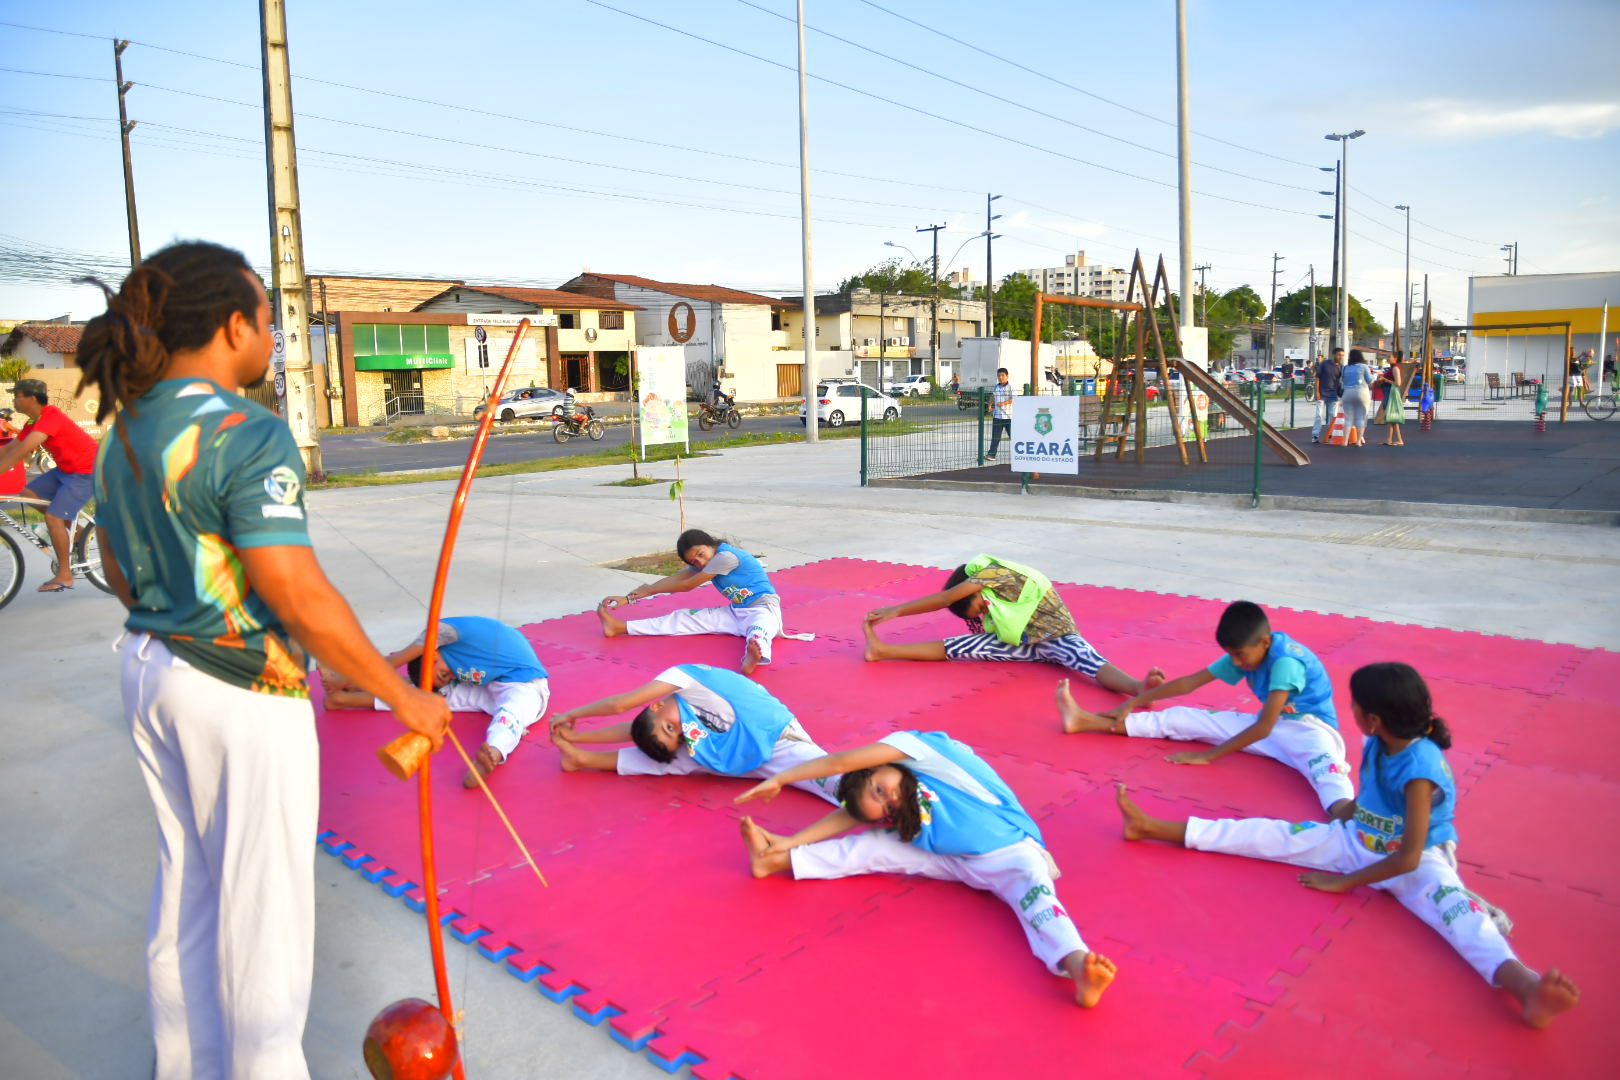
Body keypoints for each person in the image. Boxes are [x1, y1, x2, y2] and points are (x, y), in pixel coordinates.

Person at [79, 241, 450, 1079]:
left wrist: (182, 614)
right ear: (231, 324)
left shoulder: (124, 429)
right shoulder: (246, 432)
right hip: (240, 685)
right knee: (263, 915)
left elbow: (115, 559)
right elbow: (297, 592)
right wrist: (404, 696)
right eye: (269, 320)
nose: (275, 339)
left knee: (189, 893)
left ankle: (184, 1067)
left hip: (148, 666)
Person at [1113, 662, 1581, 1029]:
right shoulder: (1381, 742)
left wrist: (1346, 882)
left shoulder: (1422, 769)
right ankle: (1152, 828)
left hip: (1412, 865)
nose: (1349, 713)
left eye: (1354, 706)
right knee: (1265, 834)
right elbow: (1373, 796)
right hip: (1355, 839)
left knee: (1463, 920)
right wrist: (1350, 816)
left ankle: (1528, 991)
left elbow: (1410, 855)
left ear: (1372, 718)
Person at [733, 730, 1118, 1008]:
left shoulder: (923, 750)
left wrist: (782, 778)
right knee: (870, 847)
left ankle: (1077, 966)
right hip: (945, 856)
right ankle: (773, 859)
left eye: (882, 790)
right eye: (884, 809)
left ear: (879, 764)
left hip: (1008, 849)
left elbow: (841, 762)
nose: (891, 801)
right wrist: (789, 841)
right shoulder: (890, 801)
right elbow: (849, 818)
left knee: (1036, 897)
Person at [1054, 600, 1353, 815]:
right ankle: (1084, 721)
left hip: (1311, 731)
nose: (1236, 663)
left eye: (1239, 655)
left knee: (1329, 781)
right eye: (1230, 655)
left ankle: (1363, 831)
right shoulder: (1247, 653)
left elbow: (1262, 728)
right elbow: (1190, 683)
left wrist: (1208, 756)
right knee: (1183, 717)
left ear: (1264, 642)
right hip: (1271, 726)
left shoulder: (1286, 663)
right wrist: (1133, 701)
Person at [863, 554, 1165, 696]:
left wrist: (896, 610)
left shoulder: (995, 574)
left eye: (980, 605)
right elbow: (978, 626)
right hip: (1021, 642)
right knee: (962, 646)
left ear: (973, 588)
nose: (984, 610)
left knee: (1085, 658)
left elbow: (945, 598)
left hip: (1054, 636)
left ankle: (1137, 687)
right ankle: (883, 650)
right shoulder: (987, 589)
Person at [547, 663, 839, 804]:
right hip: (737, 752)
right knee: (672, 753)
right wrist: (577, 737)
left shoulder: (683, 678)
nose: (679, 730)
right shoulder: (672, 717)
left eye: (670, 726)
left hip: (778, 741)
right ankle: (581, 758)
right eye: (676, 732)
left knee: (840, 784)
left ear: (657, 703)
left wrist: (573, 715)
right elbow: (641, 730)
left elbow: (621, 704)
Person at [322, 615, 549, 787]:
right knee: (424, 696)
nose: (448, 677)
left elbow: (393, 661)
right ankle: (345, 698)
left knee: (511, 713)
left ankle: (493, 752)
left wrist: (344, 677)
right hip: (486, 687)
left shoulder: (443, 633)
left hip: (524, 684)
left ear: (432, 655)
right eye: (445, 677)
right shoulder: (445, 660)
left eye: (442, 674)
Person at [596, 528, 785, 675]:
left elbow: (687, 586)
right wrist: (629, 597)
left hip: (763, 608)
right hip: (735, 612)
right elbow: (677, 578)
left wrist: (649, 590)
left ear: (710, 545)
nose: (700, 563)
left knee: (760, 630)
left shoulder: (725, 557)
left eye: (701, 555)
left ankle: (752, 658)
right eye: (694, 562)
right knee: (682, 617)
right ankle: (619, 627)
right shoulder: (708, 562)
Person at [0, 377, 100, 591]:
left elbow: (21, 452)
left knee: (53, 516)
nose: (14, 400)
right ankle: (79, 534)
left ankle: (65, 575)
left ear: (32, 398)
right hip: (66, 470)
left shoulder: (50, 416)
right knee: (28, 493)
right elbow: (8, 449)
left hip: (86, 471)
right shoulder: (32, 421)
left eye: (17, 395)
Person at [1339, 349, 1375, 447]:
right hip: (1361, 392)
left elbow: (1341, 380)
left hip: (1347, 393)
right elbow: (1369, 380)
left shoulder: (1345, 368)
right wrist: (1375, 377)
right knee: (1361, 417)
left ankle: (1345, 441)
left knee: (1348, 418)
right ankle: (1358, 441)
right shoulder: (1364, 367)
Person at [1310, 350, 1343, 444]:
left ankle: (1330, 434)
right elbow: (1317, 378)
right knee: (1318, 415)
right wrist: (1316, 392)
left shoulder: (1341, 367)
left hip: (1333, 395)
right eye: (1339, 355)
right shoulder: (1324, 364)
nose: (1341, 357)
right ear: (1334, 355)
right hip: (1322, 394)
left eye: (1342, 355)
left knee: (1333, 416)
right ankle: (1315, 435)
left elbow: (1343, 380)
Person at [983, 366, 1013, 463]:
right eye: (999, 376)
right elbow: (993, 396)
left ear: (1007, 376)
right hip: (997, 416)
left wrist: (1004, 403)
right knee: (995, 437)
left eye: (1002, 375)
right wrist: (990, 405)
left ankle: (1018, 454)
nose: (1000, 377)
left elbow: (1014, 399)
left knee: (1013, 436)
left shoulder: (1010, 387)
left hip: (1009, 417)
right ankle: (991, 454)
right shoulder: (996, 387)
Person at [1380, 355, 1407, 447]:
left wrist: (1385, 380)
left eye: (1390, 357)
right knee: (1390, 417)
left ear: (1395, 358)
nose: (1388, 358)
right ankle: (1389, 439)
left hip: (1391, 393)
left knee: (1392, 416)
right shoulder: (1391, 368)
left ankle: (1399, 440)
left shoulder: (1395, 368)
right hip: (1388, 392)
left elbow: (1398, 383)